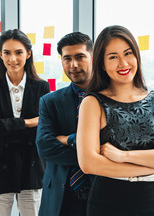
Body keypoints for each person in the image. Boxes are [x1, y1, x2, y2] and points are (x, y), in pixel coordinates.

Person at [76, 25, 154, 216]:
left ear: (136, 56)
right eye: (113, 57)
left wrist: (123, 156)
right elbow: (89, 164)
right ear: (102, 64)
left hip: (152, 202)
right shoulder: (92, 102)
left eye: (128, 53)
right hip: (108, 203)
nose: (123, 63)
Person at [0, 29, 50, 216]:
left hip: (31, 166)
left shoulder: (42, 87)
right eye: (7, 53)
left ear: (28, 53)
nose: (13, 59)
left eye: (18, 52)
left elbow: (44, 127)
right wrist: (27, 123)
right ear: (0, 55)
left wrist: (1, 124)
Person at [36, 32, 94, 216]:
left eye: (80, 57)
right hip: (60, 196)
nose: (73, 65)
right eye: (67, 58)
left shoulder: (109, 98)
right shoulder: (49, 101)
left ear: (93, 57)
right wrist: (82, 144)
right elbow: (44, 147)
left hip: (101, 193)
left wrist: (63, 140)